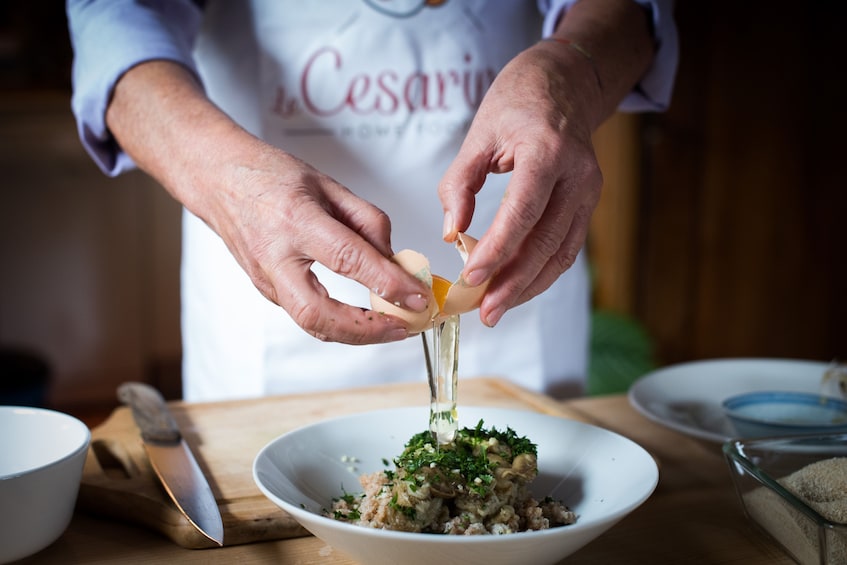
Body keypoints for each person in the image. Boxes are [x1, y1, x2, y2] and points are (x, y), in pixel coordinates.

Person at [66, 0, 678, 402]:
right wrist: (228, 178)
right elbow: (113, 27)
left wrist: (567, 72)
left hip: (512, 306)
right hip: (270, 329)